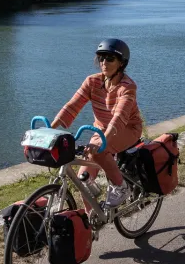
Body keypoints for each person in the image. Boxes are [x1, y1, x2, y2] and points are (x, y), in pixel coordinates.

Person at [52, 38, 144, 208]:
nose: (103, 63)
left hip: (127, 129)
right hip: (101, 131)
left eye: (110, 58)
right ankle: (92, 223)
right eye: (101, 58)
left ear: (121, 63)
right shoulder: (92, 82)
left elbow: (119, 118)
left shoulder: (128, 87)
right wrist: (51, 129)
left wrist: (104, 141)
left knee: (99, 152)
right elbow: (72, 105)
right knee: (83, 180)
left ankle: (120, 187)